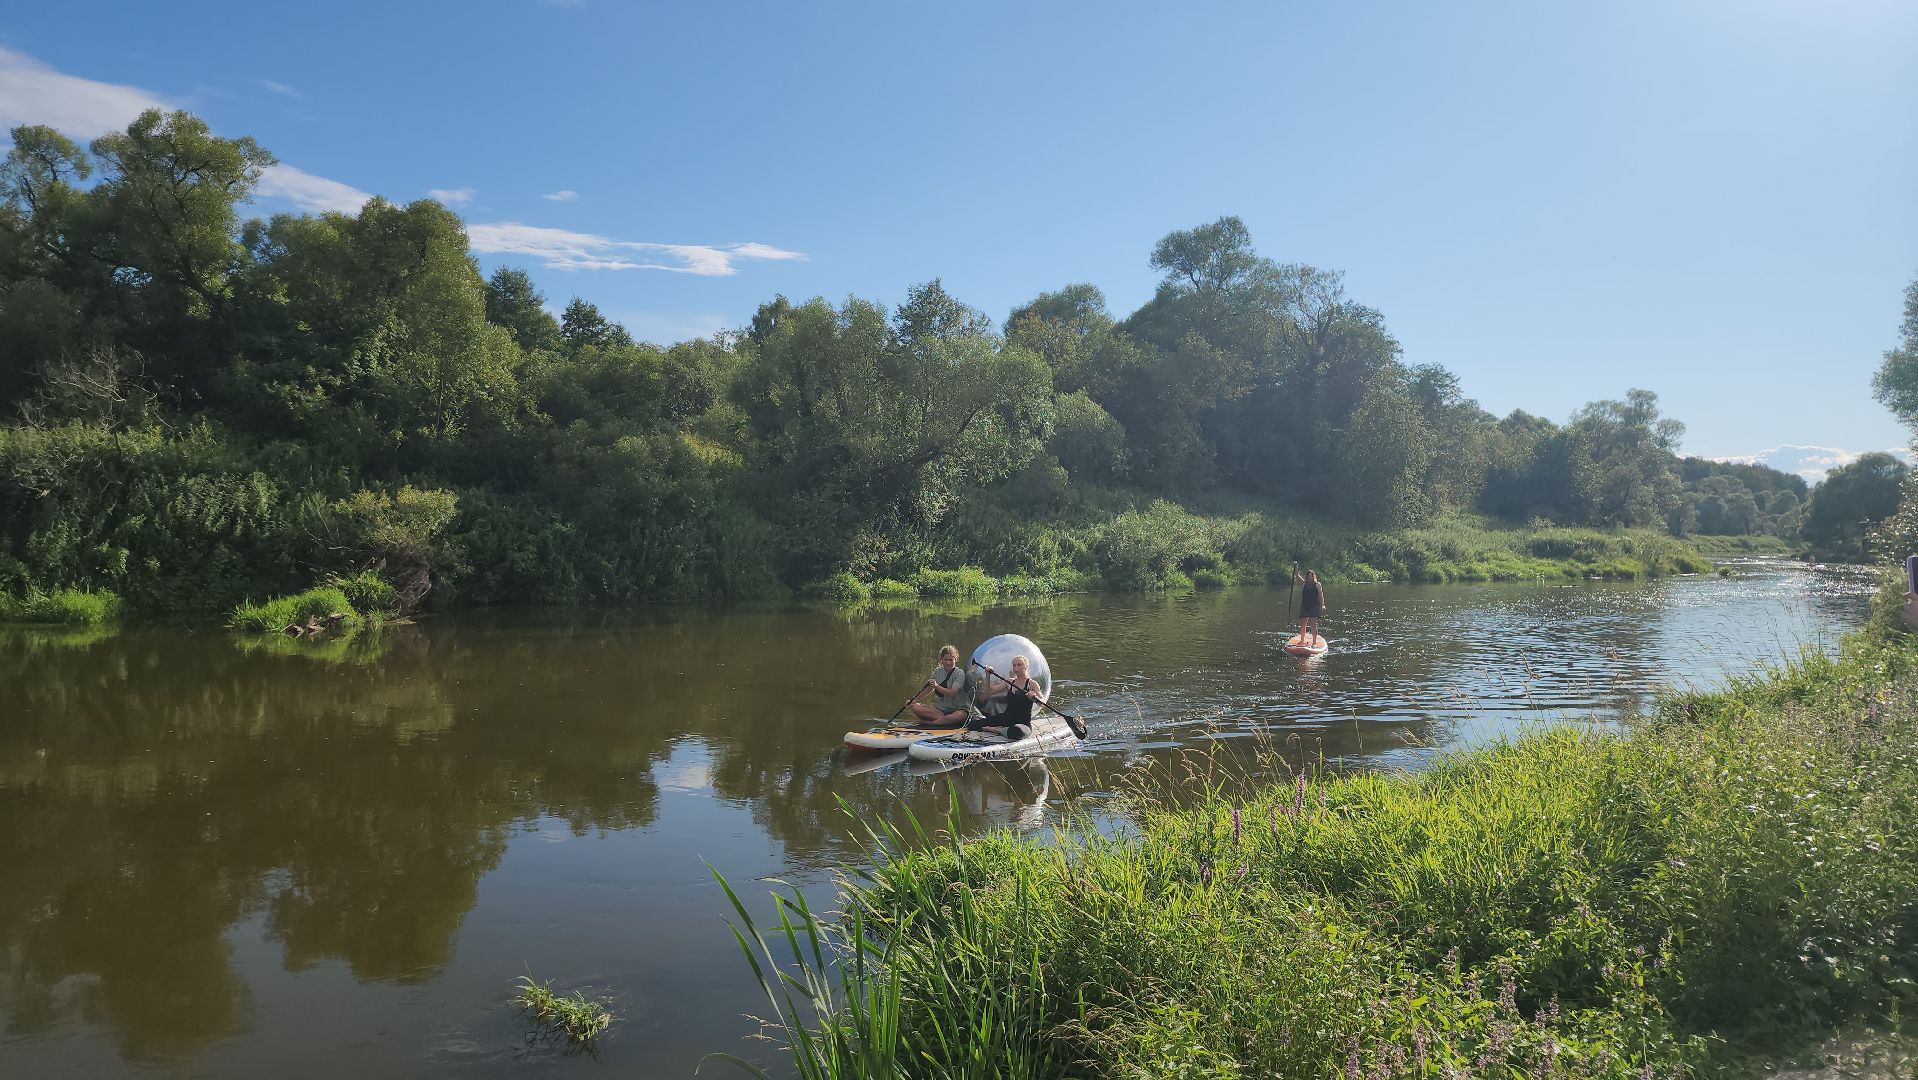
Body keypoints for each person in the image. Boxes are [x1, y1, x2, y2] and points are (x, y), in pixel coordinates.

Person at [971, 655, 1046, 740]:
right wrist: (987, 675)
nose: (1016, 668)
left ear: (1026, 666)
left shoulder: (1032, 684)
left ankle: (997, 730)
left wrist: (1035, 698)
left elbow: (1042, 703)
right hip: (1006, 718)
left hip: (1022, 723)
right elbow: (989, 691)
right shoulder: (1010, 682)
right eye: (1014, 665)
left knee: (1017, 732)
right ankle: (1003, 728)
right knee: (973, 725)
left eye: (1019, 665)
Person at [908, 645, 974, 727]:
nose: (948, 663)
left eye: (951, 660)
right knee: (915, 707)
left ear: (955, 660)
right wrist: (913, 700)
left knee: (960, 716)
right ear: (941, 660)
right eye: (946, 660)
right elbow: (929, 688)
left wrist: (937, 686)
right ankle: (943, 721)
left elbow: (952, 693)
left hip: (958, 710)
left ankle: (930, 723)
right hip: (941, 711)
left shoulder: (959, 673)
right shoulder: (937, 671)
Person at [1293, 569, 1326, 648]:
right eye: (1309, 576)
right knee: (1303, 625)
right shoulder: (1304, 583)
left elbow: (1321, 596)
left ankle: (1314, 643)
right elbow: (1297, 576)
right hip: (1305, 606)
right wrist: (1296, 568)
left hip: (1314, 606)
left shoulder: (1317, 584)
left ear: (1313, 577)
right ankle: (1302, 640)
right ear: (1307, 577)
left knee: (1313, 625)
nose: (1310, 577)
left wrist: (1322, 605)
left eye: (1311, 576)